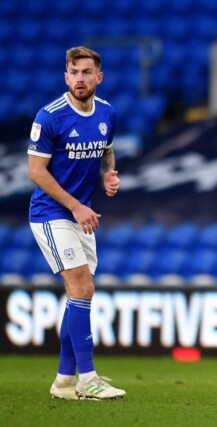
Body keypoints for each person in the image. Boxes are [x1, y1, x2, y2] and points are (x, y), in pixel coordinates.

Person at [28, 47, 125, 400]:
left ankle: (64, 381)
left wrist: (109, 174)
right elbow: (36, 171)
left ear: (99, 77)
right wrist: (76, 206)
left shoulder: (107, 113)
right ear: (66, 76)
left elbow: (106, 150)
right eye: (74, 72)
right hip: (51, 213)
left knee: (79, 294)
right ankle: (89, 378)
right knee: (83, 288)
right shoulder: (50, 116)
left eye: (86, 72)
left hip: (80, 214)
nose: (79, 78)